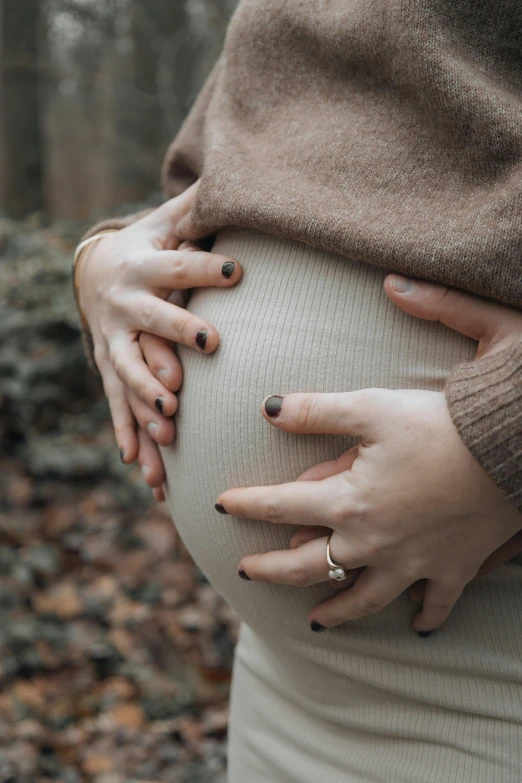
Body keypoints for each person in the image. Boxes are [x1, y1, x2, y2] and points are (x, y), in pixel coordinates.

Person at [73, 1, 522, 780]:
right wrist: (105, 265)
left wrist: (501, 435)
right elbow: (231, 173)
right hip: (286, 688)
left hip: (488, 688)